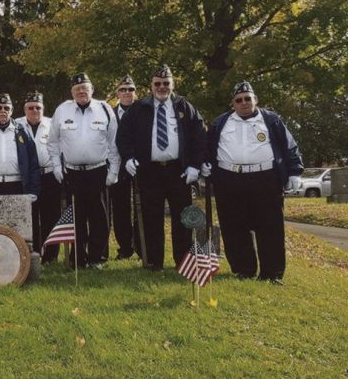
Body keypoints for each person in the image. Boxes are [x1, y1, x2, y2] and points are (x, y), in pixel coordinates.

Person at [206, 81, 303, 285]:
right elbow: (208, 148)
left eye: (248, 98)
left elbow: (290, 147)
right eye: (239, 100)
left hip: (265, 178)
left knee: (270, 227)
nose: (244, 103)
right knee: (234, 226)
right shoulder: (220, 123)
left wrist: (295, 172)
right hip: (229, 179)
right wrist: (205, 166)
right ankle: (244, 269)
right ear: (233, 103)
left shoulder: (271, 120)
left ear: (255, 100)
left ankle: (272, 273)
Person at [116, 64, 206, 271]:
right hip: (149, 172)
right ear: (151, 86)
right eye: (158, 84)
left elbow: (199, 136)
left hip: (179, 172)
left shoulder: (185, 107)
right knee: (150, 218)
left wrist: (194, 165)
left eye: (166, 83)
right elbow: (123, 135)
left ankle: (183, 261)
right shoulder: (139, 108)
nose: (162, 87)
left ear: (173, 84)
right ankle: (153, 261)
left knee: (183, 218)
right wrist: (128, 158)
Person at [48, 73, 120, 269]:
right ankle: (78, 259)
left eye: (85, 88)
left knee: (100, 218)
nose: (81, 91)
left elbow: (114, 143)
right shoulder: (62, 110)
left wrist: (114, 171)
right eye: (77, 88)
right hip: (72, 174)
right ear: (72, 92)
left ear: (92, 90)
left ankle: (97, 258)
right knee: (76, 219)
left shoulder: (104, 109)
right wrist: (56, 166)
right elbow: (53, 142)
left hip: (98, 172)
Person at [16, 92, 61, 263]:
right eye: (30, 107)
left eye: (38, 107)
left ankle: (51, 255)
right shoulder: (17, 126)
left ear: (43, 108)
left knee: (51, 216)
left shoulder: (52, 125)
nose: (34, 110)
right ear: (25, 109)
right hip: (27, 178)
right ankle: (33, 253)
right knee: (30, 216)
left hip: (49, 175)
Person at [109, 75, 137, 260]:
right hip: (117, 167)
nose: (127, 92)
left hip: (140, 166)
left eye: (131, 89)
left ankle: (144, 248)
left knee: (144, 209)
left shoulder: (144, 110)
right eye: (123, 89)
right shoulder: (109, 113)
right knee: (120, 210)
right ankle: (125, 248)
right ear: (118, 93)